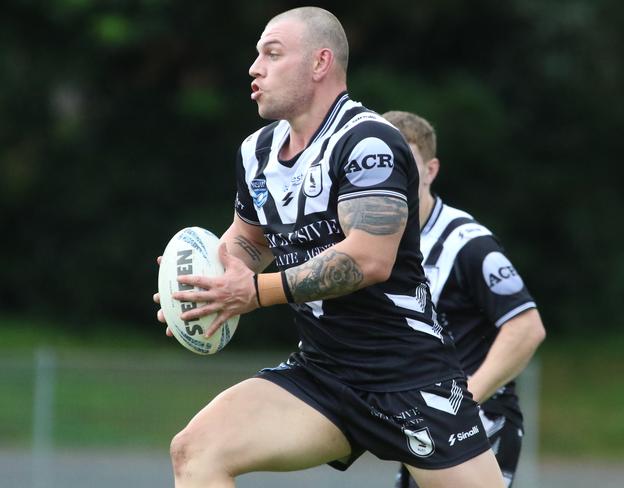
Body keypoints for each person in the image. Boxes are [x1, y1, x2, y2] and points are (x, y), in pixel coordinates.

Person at [154, 7, 506, 487]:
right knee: (195, 451)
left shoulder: (368, 142)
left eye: (273, 54)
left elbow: (368, 259)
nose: (255, 67)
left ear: (320, 63)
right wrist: (207, 286)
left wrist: (253, 292)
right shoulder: (256, 153)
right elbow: (248, 241)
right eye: (257, 54)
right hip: (323, 374)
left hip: (410, 376)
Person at [382, 110, 546, 488]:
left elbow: (525, 327)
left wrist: (462, 403)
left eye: (406, 163)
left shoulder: (467, 244)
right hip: (423, 431)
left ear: (431, 170)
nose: (395, 176)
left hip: (478, 425)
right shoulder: (375, 244)